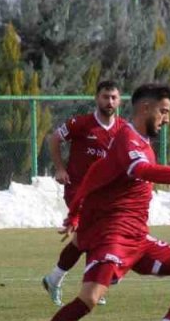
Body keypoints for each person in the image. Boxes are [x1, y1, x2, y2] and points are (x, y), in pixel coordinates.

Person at [15, 83, 170, 321]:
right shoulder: (128, 140)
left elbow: (95, 174)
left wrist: (76, 211)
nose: (167, 118)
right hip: (114, 236)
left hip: (138, 239)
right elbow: (145, 172)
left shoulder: (139, 140)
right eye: (163, 111)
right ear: (145, 109)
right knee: (89, 298)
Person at [41, 81, 125, 305]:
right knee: (97, 235)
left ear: (120, 100)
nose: (110, 101)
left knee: (87, 238)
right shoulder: (81, 124)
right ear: (97, 98)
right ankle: (98, 281)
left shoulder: (123, 130)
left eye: (114, 97)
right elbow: (54, 139)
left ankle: (56, 279)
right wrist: (59, 168)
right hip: (78, 190)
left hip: (106, 196)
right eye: (106, 97)